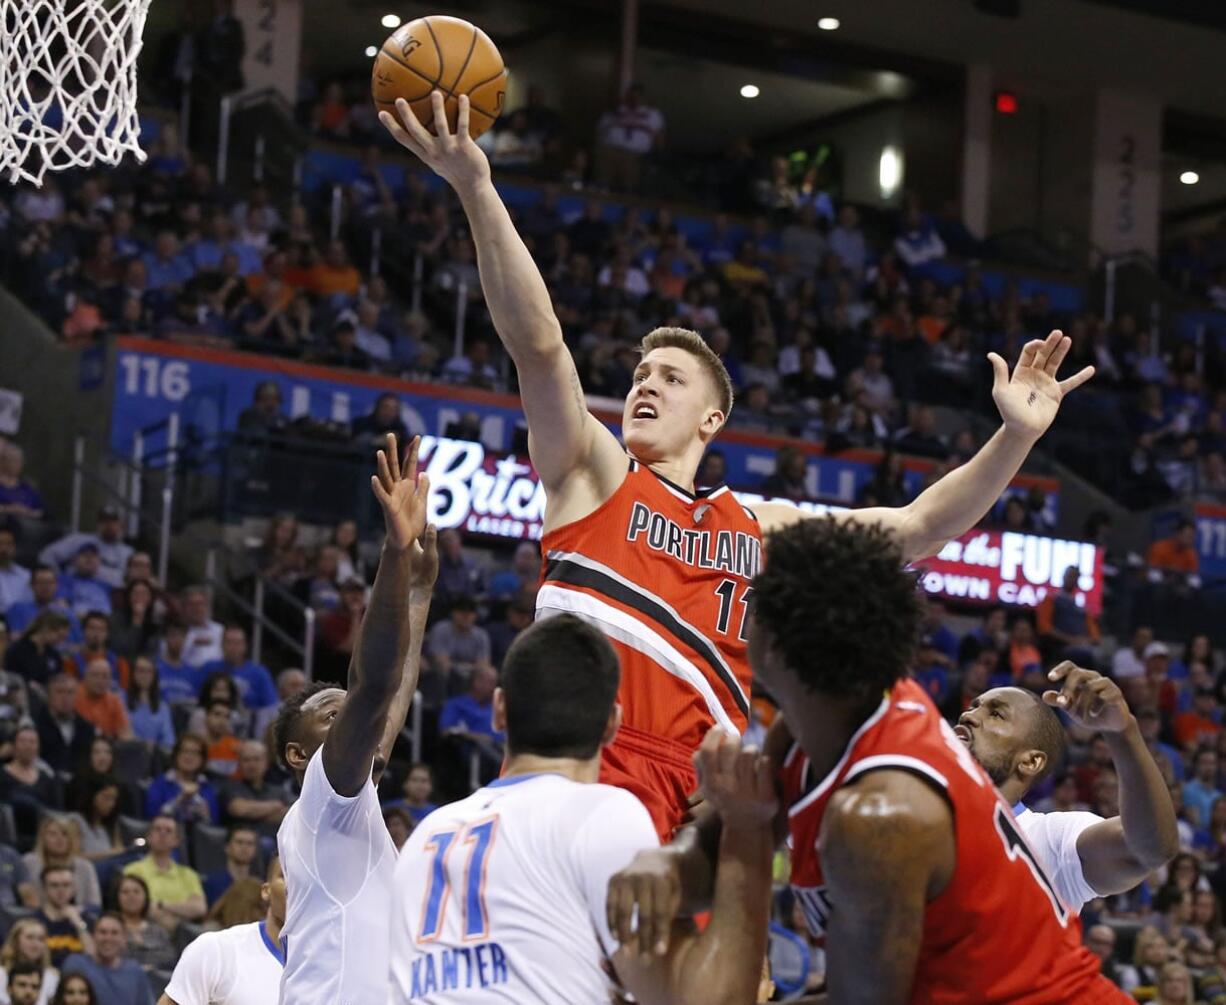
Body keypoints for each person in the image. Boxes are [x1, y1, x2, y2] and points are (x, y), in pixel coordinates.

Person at [381, 92, 1095, 839]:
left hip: (696, 801)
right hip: (579, 765)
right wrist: (476, 186)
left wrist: (1014, 435)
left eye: (669, 377)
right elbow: (539, 345)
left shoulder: (763, 526)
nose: (645, 384)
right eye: (638, 374)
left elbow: (917, 527)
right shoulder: (593, 473)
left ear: (713, 419)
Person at [609, 519, 1130, 1003]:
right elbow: (711, 851)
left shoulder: (883, 815)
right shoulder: (815, 728)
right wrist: (664, 867)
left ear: (771, 642)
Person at [389, 613, 775, 1004]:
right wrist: (745, 828)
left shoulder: (425, 836)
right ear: (612, 724)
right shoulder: (603, 816)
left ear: (499, 709)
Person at [274, 434, 433, 1004]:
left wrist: (419, 592)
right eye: (331, 714)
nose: (350, 720)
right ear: (299, 754)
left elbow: (389, 702)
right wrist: (393, 553)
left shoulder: (349, 803)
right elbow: (374, 687)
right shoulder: (321, 794)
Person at [955, 663, 1178, 912]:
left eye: (996, 714)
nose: (968, 716)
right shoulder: (915, 808)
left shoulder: (1049, 838)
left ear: (1030, 761)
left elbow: (1149, 850)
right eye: (973, 707)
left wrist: (1123, 732)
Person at [159, 857, 286, 1005]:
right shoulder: (216, 950)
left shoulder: (318, 963)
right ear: (266, 891)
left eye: (306, 878)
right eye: (287, 875)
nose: (299, 886)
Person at [122, 816, 206, 932]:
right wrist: (179, 909)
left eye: (168, 831)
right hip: (145, 928)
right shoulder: (133, 870)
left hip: (183, 929)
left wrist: (162, 905)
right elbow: (135, 905)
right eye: (157, 829)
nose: (162, 834)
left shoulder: (189, 874)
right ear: (149, 836)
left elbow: (199, 908)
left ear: (177, 840)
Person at [59, 914, 152, 1005]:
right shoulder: (76, 964)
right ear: (93, 935)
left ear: (124, 938)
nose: (108, 938)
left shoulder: (135, 972)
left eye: (114, 933)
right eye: (103, 932)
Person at [39, 509, 132, 591]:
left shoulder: (127, 552)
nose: (108, 525)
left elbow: (130, 580)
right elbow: (46, 556)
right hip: (75, 590)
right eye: (104, 521)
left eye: (113, 521)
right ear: (98, 524)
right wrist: (58, 579)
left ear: (121, 524)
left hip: (110, 596)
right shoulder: (79, 540)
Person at [1, 725, 60, 848]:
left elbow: (56, 812)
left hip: (42, 839)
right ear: (13, 746)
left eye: (32, 742)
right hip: (10, 838)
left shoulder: (47, 779)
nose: (28, 746)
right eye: (23, 741)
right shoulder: (2, 775)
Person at [23, 819, 100, 912]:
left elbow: (95, 904)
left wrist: (73, 911)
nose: (59, 838)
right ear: (43, 838)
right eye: (53, 834)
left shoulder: (85, 867)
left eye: (65, 834)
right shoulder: (29, 862)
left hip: (76, 917)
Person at [197, 626, 276, 712]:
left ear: (245, 646)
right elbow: (195, 699)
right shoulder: (208, 668)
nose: (233, 647)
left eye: (238, 643)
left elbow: (271, 707)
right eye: (229, 642)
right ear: (221, 644)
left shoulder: (259, 673)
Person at [145, 734, 219, 824]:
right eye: (185, 751)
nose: (189, 756)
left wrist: (203, 810)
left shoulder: (206, 787)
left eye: (195, 753)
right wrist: (180, 799)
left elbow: (213, 824)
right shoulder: (160, 783)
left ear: (202, 759)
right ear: (176, 755)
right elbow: (151, 816)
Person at [221, 741, 290, 838]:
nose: (252, 764)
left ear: (266, 763)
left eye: (256, 759)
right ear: (239, 764)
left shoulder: (278, 791)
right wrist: (275, 805)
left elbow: (288, 815)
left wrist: (253, 814)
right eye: (246, 760)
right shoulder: (229, 787)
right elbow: (240, 809)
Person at [110, 874, 175, 973]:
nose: (131, 896)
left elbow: (170, 958)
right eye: (125, 892)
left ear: (145, 897)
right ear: (117, 897)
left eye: (136, 892)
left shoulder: (157, 930)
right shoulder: (110, 928)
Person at [34, 675, 94, 775]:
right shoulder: (35, 724)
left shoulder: (86, 728)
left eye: (70, 692)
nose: (65, 697)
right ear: (49, 695)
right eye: (59, 692)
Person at [4, 567, 80, 643]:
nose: (46, 586)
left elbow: (80, 644)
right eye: (41, 582)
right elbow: (15, 639)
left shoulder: (68, 612)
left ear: (56, 585)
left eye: (50, 582)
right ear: (31, 585)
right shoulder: (18, 609)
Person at [35, 867, 92, 968]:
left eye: (66, 885)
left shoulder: (86, 919)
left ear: (74, 889)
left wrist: (78, 922)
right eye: (54, 885)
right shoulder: (34, 921)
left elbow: (93, 956)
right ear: (44, 889)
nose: (61, 890)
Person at [6, 611, 69, 689]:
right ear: (46, 628)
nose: (61, 641)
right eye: (59, 636)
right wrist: (28, 683)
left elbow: (59, 676)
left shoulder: (54, 655)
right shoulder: (17, 650)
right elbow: (10, 675)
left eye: (63, 638)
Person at [65, 614, 129, 690]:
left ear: (107, 634)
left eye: (101, 629)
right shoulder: (72, 663)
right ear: (83, 631)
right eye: (92, 628)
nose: (96, 633)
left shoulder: (119, 663)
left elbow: (123, 694)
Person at [123, 656, 174, 751]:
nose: (144, 675)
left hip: (154, 756)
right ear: (133, 673)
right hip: (127, 753)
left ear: (154, 676)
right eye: (140, 671)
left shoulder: (163, 707)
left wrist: (153, 747)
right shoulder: (121, 701)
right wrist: (142, 745)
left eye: (149, 671)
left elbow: (169, 741)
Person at [72, 661, 132, 741]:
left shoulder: (114, 700)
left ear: (110, 680)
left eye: (105, 676)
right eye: (95, 675)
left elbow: (125, 731)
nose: (100, 681)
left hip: (106, 747)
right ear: (85, 677)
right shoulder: (73, 697)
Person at [67, 777, 123, 861]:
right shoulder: (75, 821)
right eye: (106, 797)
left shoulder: (111, 825)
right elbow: (74, 858)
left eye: (114, 799)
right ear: (92, 796)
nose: (112, 804)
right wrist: (108, 855)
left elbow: (120, 851)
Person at [201, 827, 258, 907]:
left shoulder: (259, 884)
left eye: (250, 843)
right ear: (227, 847)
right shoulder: (212, 883)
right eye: (239, 842)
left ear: (255, 850)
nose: (244, 847)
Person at [381, 762, 437, 827]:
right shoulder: (389, 809)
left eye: (424, 780)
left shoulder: (437, 813)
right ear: (405, 784)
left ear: (431, 786)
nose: (419, 785)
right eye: (414, 780)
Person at [179, 589, 223, 668]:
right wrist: (191, 643)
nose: (196, 608)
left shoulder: (219, 630)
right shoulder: (177, 631)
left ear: (207, 607)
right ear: (184, 608)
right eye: (191, 604)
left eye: (200, 604)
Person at [201, 700, 241, 778]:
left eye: (227, 717)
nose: (222, 721)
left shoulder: (237, 747)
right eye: (217, 714)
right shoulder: (195, 746)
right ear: (206, 717)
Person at [0, 525, 32, 615]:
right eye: (0, 544)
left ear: (14, 547)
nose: (4, 549)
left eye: (8, 544)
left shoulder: (26, 575)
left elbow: (29, 603)